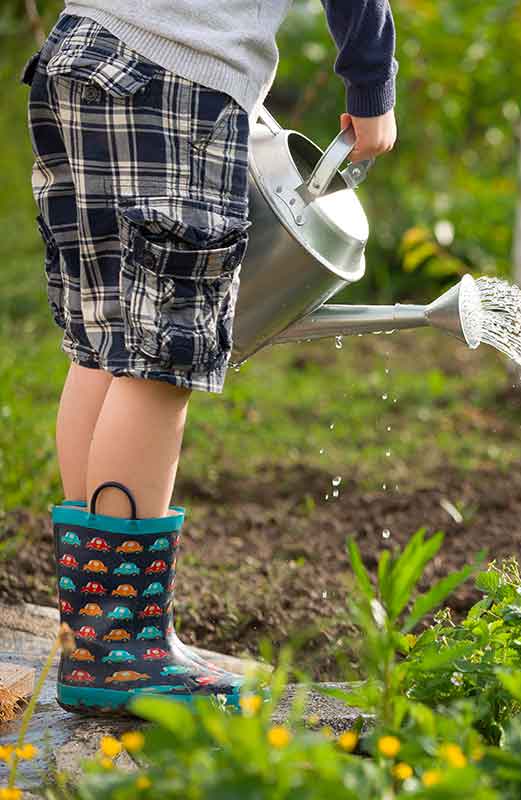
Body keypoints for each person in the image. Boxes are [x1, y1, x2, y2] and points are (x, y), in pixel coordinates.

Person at [23, 0, 397, 714]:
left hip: (77, 50)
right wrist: (371, 86)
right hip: (178, 69)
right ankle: (121, 652)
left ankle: (99, 635)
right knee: (161, 362)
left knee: (102, 346)